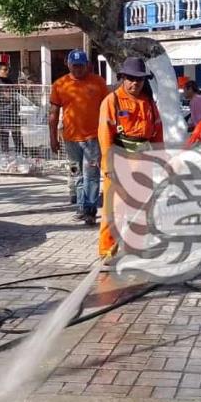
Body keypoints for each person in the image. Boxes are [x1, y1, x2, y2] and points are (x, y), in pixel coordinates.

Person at [97, 58, 163, 259]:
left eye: (139, 80)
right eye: (131, 79)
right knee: (114, 210)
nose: (135, 83)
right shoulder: (112, 101)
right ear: (122, 78)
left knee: (141, 209)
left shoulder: (148, 102)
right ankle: (107, 251)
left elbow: (158, 132)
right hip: (119, 161)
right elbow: (105, 134)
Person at [50, 50, 108, 225]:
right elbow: (53, 113)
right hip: (70, 141)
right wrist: (52, 138)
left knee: (91, 174)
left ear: (87, 65)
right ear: (68, 65)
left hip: (92, 139)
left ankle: (90, 210)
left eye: (81, 66)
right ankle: (81, 207)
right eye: (74, 66)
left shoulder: (98, 82)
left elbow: (108, 109)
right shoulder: (60, 84)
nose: (77, 69)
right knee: (76, 174)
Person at [0, 61, 21, 164]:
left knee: (16, 132)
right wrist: (8, 95)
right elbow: (3, 96)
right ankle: (5, 156)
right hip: (1, 110)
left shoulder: (9, 81)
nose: (7, 71)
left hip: (12, 110)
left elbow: (14, 94)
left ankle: (20, 154)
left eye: (8, 69)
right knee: (4, 134)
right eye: (4, 69)